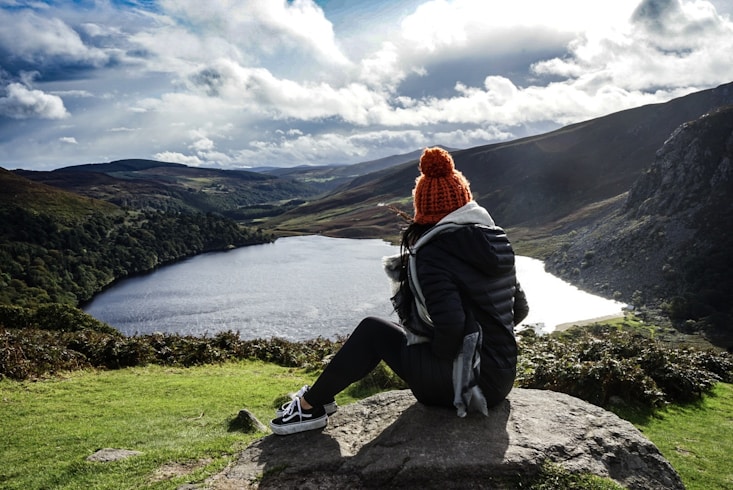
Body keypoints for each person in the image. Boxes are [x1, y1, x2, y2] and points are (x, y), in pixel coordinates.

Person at [270, 147, 529, 435]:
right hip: (501, 380)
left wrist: (436, 349)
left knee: (373, 331)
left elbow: (452, 327)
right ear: (465, 200)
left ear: (424, 209)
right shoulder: (497, 240)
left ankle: (309, 407)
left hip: (463, 387)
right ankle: (322, 398)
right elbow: (519, 310)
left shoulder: (434, 252)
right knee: (389, 332)